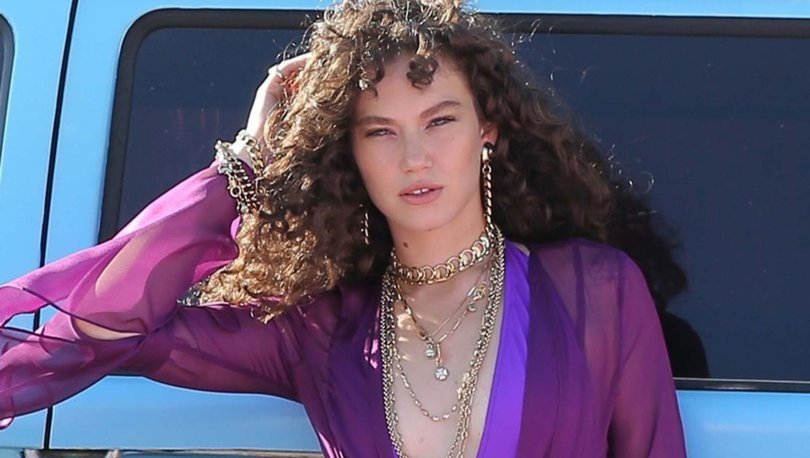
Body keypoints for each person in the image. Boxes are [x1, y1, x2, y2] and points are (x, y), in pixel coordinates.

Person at [0, 0, 687, 456]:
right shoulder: (322, 329)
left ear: (489, 130)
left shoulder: (594, 291)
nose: (414, 157)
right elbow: (104, 331)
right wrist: (244, 165)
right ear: (348, 153)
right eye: (380, 131)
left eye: (440, 121)